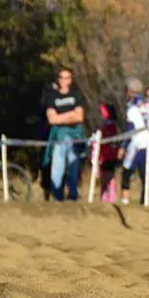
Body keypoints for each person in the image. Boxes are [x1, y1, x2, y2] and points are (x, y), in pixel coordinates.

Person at [43, 67, 86, 201]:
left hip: (75, 137)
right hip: (59, 137)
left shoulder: (76, 95)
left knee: (73, 168)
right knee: (57, 169)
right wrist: (70, 115)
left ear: (71, 80)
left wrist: (60, 116)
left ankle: (73, 196)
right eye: (61, 77)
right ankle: (57, 197)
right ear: (58, 79)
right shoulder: (52, 97)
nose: (64, 80)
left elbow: (79, 117)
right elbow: (51, 119)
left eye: (67, 77)